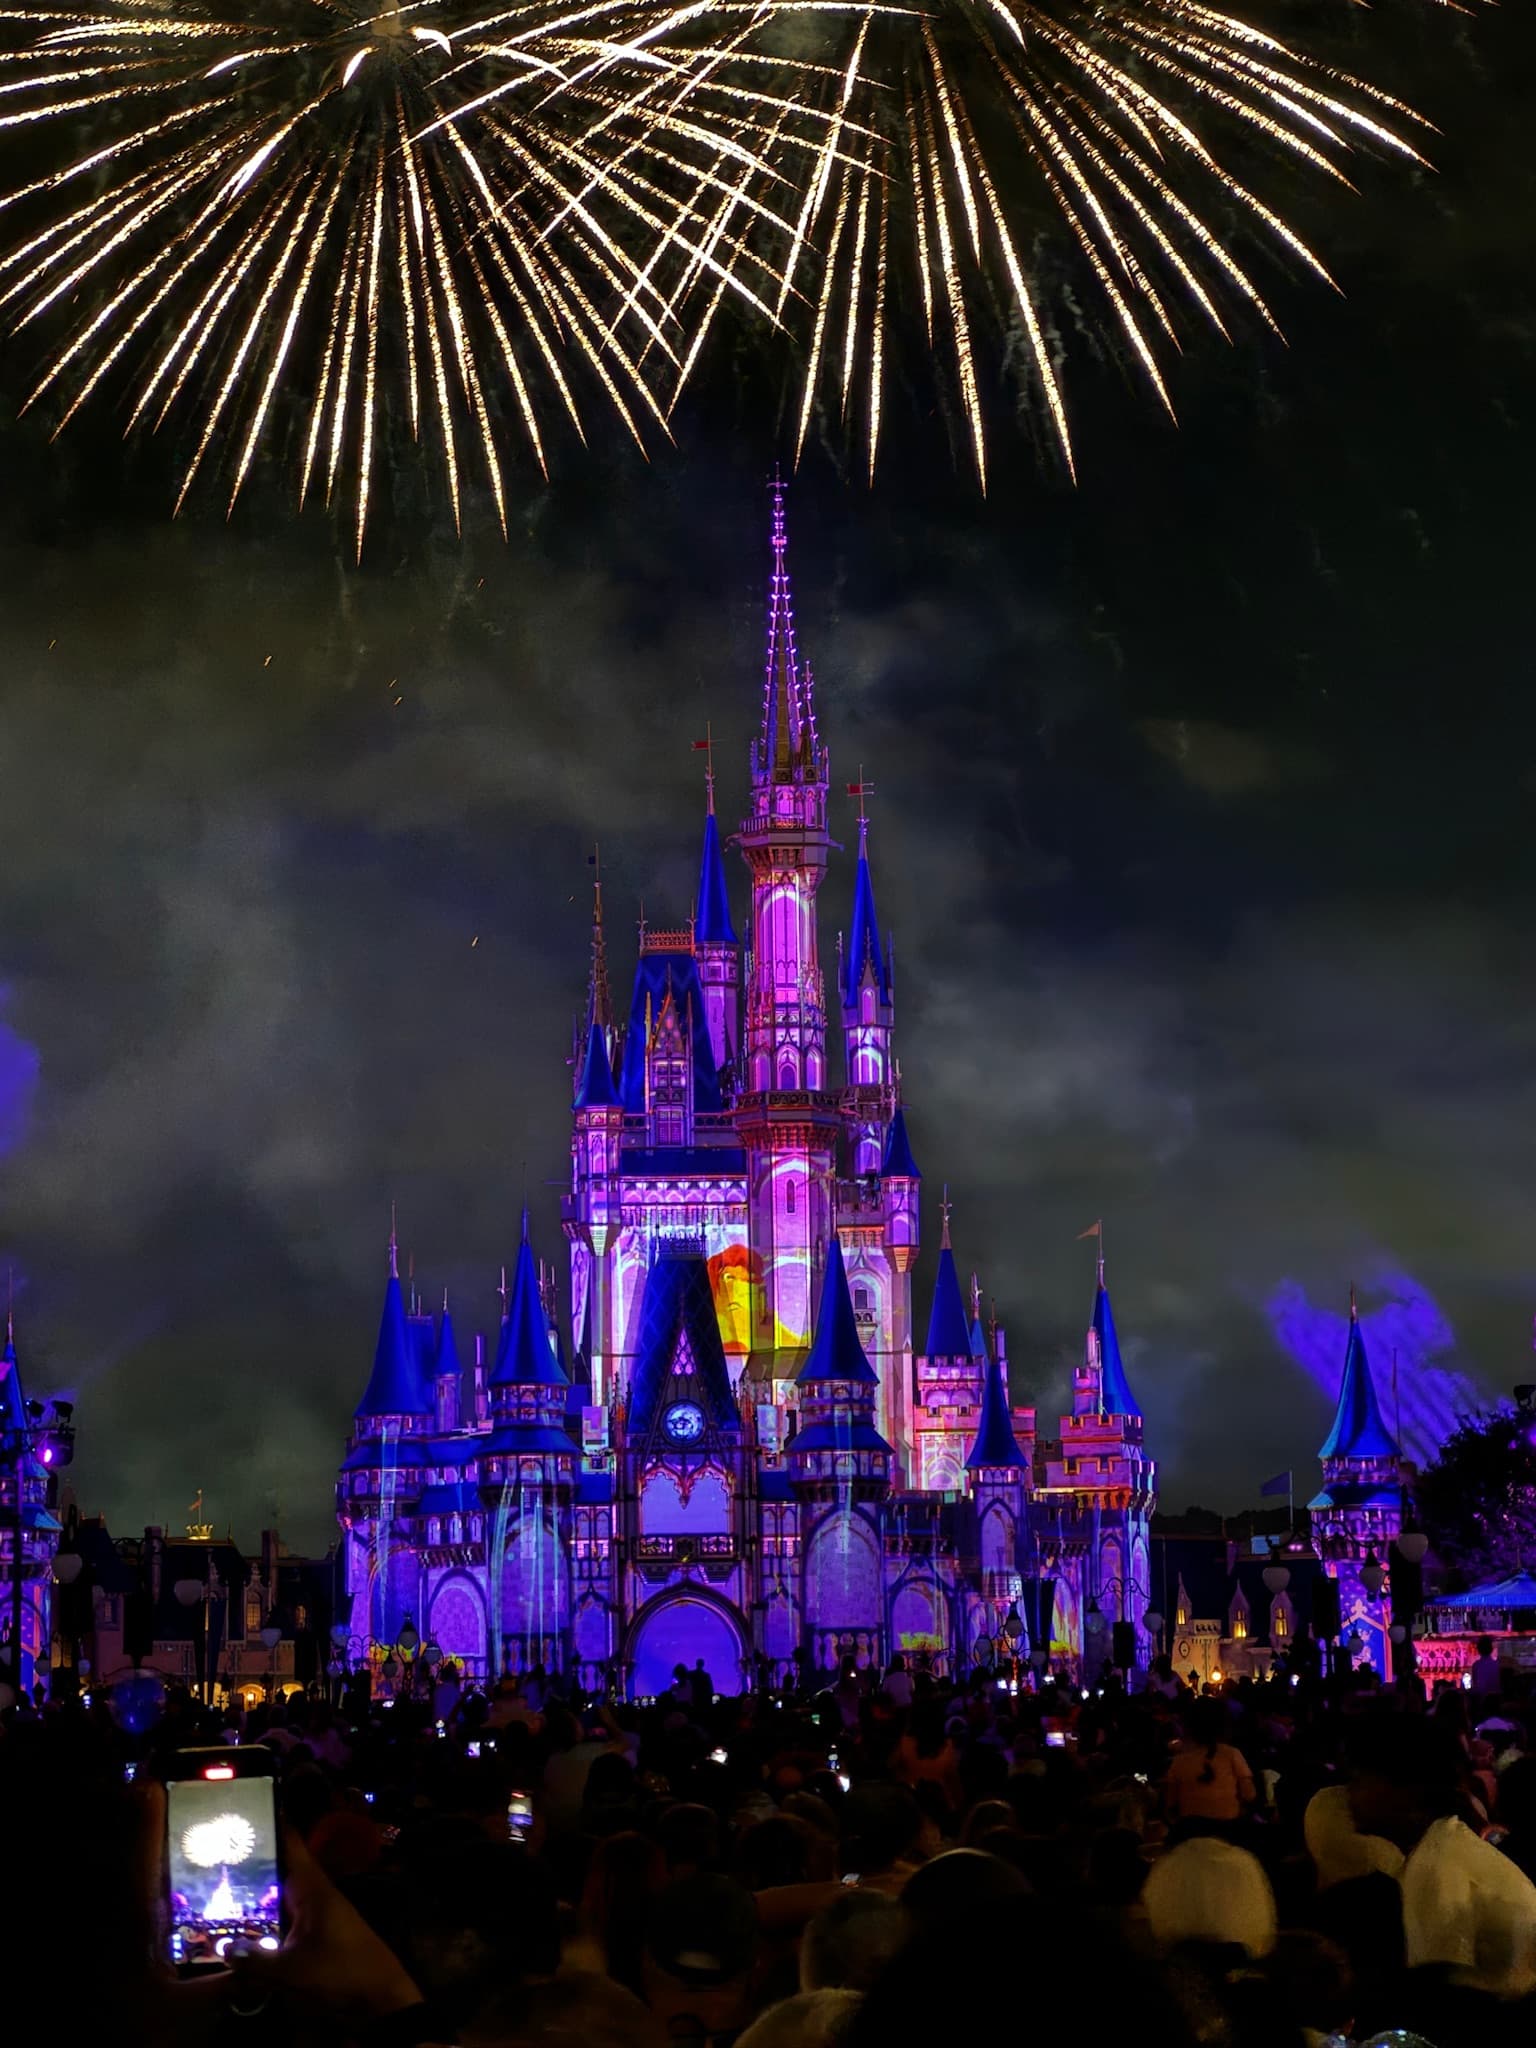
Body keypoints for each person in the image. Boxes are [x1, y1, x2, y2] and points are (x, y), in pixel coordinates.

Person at [1163, 1698, 1256, 1833]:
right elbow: (1249, 1794)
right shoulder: (1232, 1755)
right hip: (1228, 1828)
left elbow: (1170, 1803)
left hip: (1191, 1830)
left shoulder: (1179, 1761)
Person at [1469, 1635, 1504, 1701]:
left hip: (1481, 1701)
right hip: (1496, 1700)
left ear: (1479, 1650)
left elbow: (1476, 1686)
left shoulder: (1476, 1665)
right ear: (1491, 1649)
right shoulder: (1497, 1664)